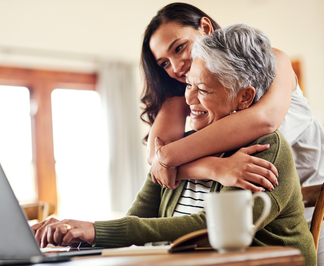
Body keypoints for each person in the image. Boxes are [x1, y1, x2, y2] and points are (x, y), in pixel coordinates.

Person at [32, 24, 316, 265]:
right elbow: (138, 216)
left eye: (203, 89)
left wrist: (96, 231)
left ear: (243, 98)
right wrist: (80, 234)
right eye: (187, 85)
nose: (190, 100)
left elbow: (211, 228)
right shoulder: (186, 145)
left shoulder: (264, 148)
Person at [141, 3, 324, 262]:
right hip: (255, 205)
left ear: (205, 27)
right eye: (164, 63)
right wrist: (213, 168)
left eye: (179, 48)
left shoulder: (271, 61)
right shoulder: (187, 90)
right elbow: (156, 160)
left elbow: (264, 120)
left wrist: (169, 158)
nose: (176, 67)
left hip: (312, 200)